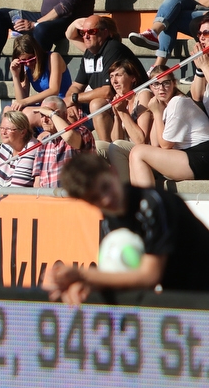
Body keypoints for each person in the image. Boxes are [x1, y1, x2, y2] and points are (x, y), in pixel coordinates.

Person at [46, 154, 209, 301]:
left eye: (105, 187)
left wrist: (83, 275)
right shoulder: (110, 217)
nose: (106, 199)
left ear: (114, 173)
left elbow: (149, 276)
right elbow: (120, 275)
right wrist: (83, 286)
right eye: (94, 198)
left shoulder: (152, 203)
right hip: (181, 293)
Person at [64, 15, 145, 142]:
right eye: (83, 32)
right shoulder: (89, 53)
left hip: (134, 100)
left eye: (91, 32)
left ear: (105, 32)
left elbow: (108, 91)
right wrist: (70, 102)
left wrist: (74, 98)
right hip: (112, 103)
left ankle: (106, 152)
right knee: (65, 111)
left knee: (97, 104)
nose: (86, 36)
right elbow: (76, 86)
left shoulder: (112, 48)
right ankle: (79, 154)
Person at [127, 66, 209, 187]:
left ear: (174, 83)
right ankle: (138, 201)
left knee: (138, 152)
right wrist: (157, 112)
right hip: (189, 155)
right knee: (135, 152)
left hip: (202, 157)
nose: (161, 88)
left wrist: (156, 113)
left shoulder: (178, 102)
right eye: (156, 84)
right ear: (151, 87)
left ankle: (150, 203)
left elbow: (165, 145)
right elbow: (155, 144)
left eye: (166, 83)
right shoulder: (164, 104)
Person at [128, 0, 209, 66]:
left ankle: (158, 67)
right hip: (204, 14)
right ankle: (153, 32)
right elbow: (203, 1)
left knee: (173, 16)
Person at [103, 58, 153, 181]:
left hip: (148, 150)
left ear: (133, 78)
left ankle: (124, 192)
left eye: (118, 75)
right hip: (131, 148)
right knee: (97, 147)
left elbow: (141, 140)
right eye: (111, 76)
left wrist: (123, 112)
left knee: (116, 147)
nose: (114, 81)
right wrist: (117, 115)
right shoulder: (120, 99)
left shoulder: (143, 94)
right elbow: (116, 139)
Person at [29, 95, 95, 188]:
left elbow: (69, 137)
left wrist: (52, 115)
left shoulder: (82, 131)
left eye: (48, 115)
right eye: (42, 115)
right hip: (48, 199)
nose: (44, 120)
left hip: (75, 197)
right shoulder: (43, 142)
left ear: (64, 115)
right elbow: (37, 182)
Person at [8, 34, 72, 126]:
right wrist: (15, 76)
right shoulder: (26, 67)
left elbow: (54, 90)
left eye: (31, 58)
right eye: (24, 61)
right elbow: (21, 100)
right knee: (8, 111)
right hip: (44, 105)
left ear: (37, 53)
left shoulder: (53, 57)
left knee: (25, 114)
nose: (29, 63)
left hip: (59, 103)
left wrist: (24, 102)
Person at [0, 110, 37, 187]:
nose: (3, 132)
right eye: (1, 128)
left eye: (8, 129)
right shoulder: (6, 145)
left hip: (15, 197)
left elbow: (16, 188)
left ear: (23, 132)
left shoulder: (31, 151)